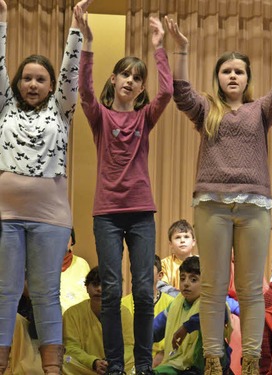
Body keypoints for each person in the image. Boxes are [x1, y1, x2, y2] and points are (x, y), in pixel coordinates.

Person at [165, 6, 272, 374]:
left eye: (239, 71)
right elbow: (181, 93)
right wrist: (182, 50)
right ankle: (211, 359)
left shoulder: (259, 110)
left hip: (255, 206)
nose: (233, 76)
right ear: (218, 77)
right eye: (226, 71)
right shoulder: (207, 109)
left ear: (247, 77)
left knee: (253, 290)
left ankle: (251, 360)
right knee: (213, 287)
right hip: (212, 206)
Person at [77, 9, 173, 374]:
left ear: (140, 86)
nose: (131, 81)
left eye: (137, 77)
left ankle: (144, 366)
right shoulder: (100, 117)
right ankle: (117, 366)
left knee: (145, 292)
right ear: (114, 79)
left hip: (141, 211)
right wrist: (87, 41)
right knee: (113, 292)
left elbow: (166, 93)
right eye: (125, 75)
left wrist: (158, 47)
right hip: (107, 213)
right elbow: (84, 91)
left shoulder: (143, 118)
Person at [0, 1, 88, 373]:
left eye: (40, 79)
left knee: (44, 294)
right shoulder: (5, 107)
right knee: (4, 294)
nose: (32, 83)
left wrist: (76, 27)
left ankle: (52, 368)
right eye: (26, 78)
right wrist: (2, 22)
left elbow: (72, 69)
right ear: (18, 82)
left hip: (50, 219)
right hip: (6, 216)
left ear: (52, 86)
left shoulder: (61, 110)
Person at [63, 267, 135, 375]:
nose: (99, 289)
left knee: (136, 359)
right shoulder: (72, 313)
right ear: (86, 287)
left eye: (105, 285)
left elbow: (129, 346)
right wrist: (93, 362)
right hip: (86, 367)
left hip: (117, 365)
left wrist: (113, 363)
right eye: (95, 284)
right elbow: (71, 347)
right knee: (65, 360)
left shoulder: (124, 313)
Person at [153, 256, 210, 374]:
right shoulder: (175, 304)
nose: (186, 284)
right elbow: (154, 331)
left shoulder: (212, 302)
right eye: (182, 279)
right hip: (177, 365)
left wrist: (186, 327)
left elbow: (210, 316)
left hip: (204, 367)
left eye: (193, 280)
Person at [122, 255, 175, 368]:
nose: (142, 273)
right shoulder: (122, 305)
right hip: (130, 363)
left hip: (165, 361)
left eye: (147, 269)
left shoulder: (172, 303)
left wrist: (163, 354)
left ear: (160, 275)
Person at [60, 229, 92, 313]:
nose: (62, 239)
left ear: (72, 240)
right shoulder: (41, 266)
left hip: (82, 319)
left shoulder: (82, 263)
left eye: (66, 235)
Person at [161, 219, 197, 289]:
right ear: (170, 244)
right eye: (178, 237)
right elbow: (162, 288)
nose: (182, 240)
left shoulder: (201, 263)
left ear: (193, 242)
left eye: (186, 237)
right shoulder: (164, 265)